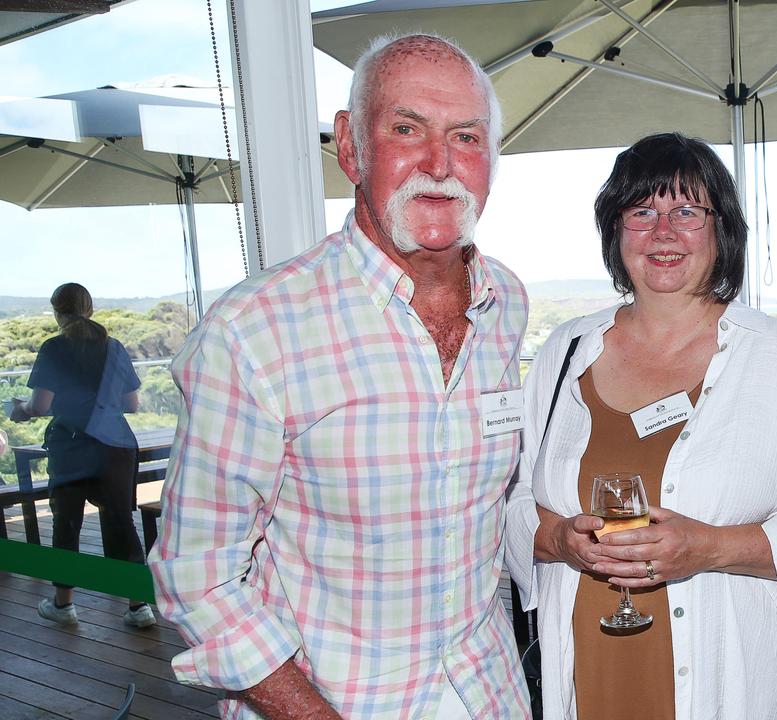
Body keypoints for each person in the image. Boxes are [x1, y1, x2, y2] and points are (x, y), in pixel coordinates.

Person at [150, 34, 530, 720]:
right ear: (351, 146)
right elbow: (196, 576)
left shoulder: (506, 302)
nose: (440, 164)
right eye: (407, 129)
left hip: (488, 694)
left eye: (467, 137)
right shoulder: (255, 330)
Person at [505, 132, 777, 719]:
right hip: (591, 670)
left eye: (687, 211)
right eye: (642, 211)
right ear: (616, 231)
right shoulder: (566, 350)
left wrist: (707, 548)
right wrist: (563, 542)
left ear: (721, 230)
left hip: (731, 679)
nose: (664, 232)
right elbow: (513, 501)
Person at [8, 282, 155, 629]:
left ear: (57, 312)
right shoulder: (114, 347)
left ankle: (64, 605)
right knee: (122, 521)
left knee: (67, 522)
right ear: (89, 309)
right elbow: (131, 403)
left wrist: (21, 411)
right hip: (116, 446)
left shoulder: (54, 348)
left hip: (73, 446)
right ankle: (139, 607)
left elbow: (40, 405)